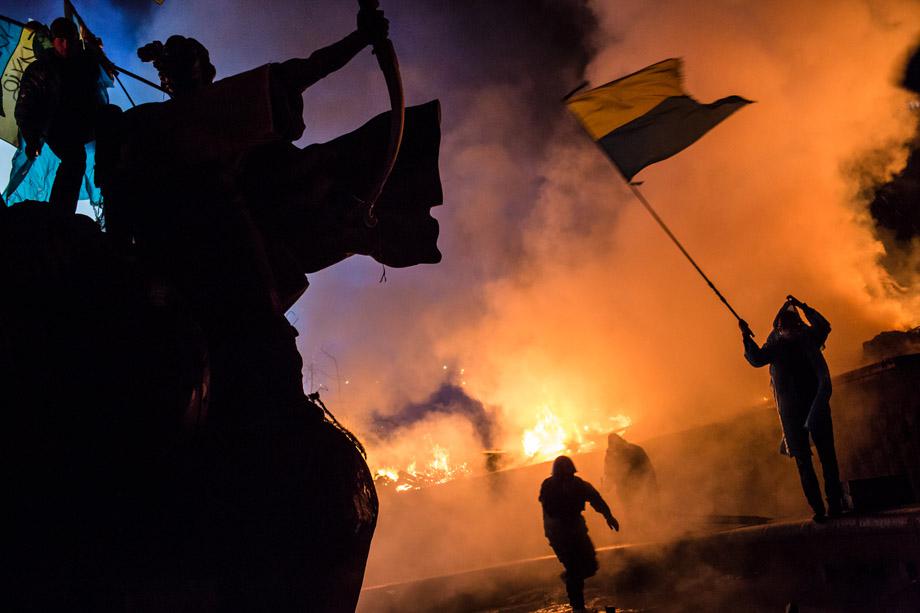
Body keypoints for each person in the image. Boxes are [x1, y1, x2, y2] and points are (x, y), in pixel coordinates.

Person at [740, 295, 844, 521]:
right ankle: (819, 509)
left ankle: (834, 504)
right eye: (786, 328)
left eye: (792, 327)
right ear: (780, 329)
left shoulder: (807, 340)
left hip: (816, 407)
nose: (789, 331)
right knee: (805, 462)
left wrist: (803, 306)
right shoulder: (777, 346)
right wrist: (745, 336)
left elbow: (824, 325)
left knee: (827, 458)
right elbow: (756, 358)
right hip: (792, 414)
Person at [15, 17, 106, 213]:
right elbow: (24, 108)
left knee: (111, 129)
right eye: (61, 40)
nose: (65, 45)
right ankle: (60, 214)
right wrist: (31, 140)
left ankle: (105, 187)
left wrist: (97, 50)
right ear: (53, 40)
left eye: (70, 39)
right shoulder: (40, 70)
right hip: (56, 125)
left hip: (85, 122)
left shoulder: (84, 63)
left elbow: (97, 73)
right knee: (75, 158)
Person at [539, 455, 619, 612]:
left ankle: (569, 578)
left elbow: (596, 498)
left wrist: (608, 516)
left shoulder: (579, 484)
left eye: (569, 473)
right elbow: (550, 511)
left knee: (590, 565)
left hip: (577, 532)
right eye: (563, 474)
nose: (566, 477)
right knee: (575, 568)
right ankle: (578, 606)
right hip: (559, 536)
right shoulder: (548, 486)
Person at [603, 432, 658, 533]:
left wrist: (649, 486)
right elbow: (609, 472)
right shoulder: (611, 454)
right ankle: (637, 532)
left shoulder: (634, 451)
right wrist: (607, 485)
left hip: (641, 487)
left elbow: (646, 470)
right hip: (625, 491)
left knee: (645, 510)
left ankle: (649, 531)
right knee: (630, 512)